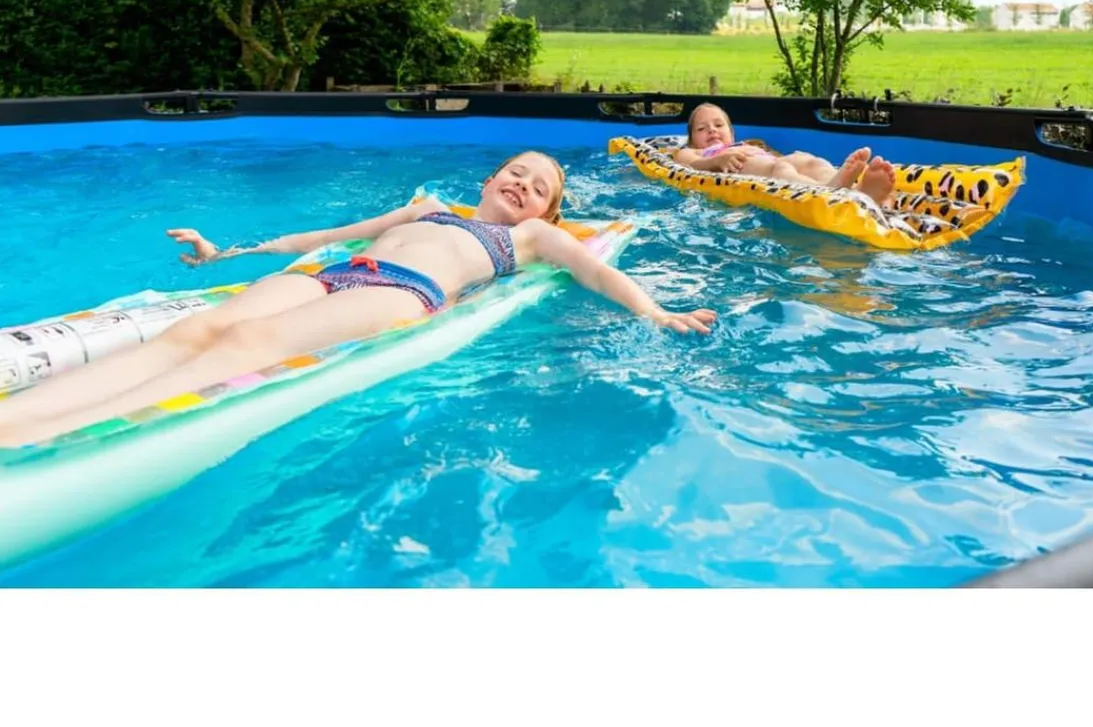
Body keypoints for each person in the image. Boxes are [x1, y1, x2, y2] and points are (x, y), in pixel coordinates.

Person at [0, 151, 715, 448]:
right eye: (515, 172)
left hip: (400, 292)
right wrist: (225, 255)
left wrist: (654, 311)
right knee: (194, 333)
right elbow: (325, 237)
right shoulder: (430, 207)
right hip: (337, 271)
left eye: (539, 187)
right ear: (490, 178)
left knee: (245, 345)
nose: (522, 184)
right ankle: (18, 415)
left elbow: (597, 273)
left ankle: (42, 435)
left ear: (549, 211)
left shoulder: (531, 238)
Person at [674, 103, 896, 205]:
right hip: (751, 170)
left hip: (771, 160)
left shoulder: (747, 145)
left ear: (732, 134)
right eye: (701, 129)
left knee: (810, 161)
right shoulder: (695, 152)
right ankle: (829, 189)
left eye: (718, 125)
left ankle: (856, 190)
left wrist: (794, 158)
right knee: (780, 169)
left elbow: (775, 157)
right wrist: (716, 160)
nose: (712, 130)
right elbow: (688, 164)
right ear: (692, 139)